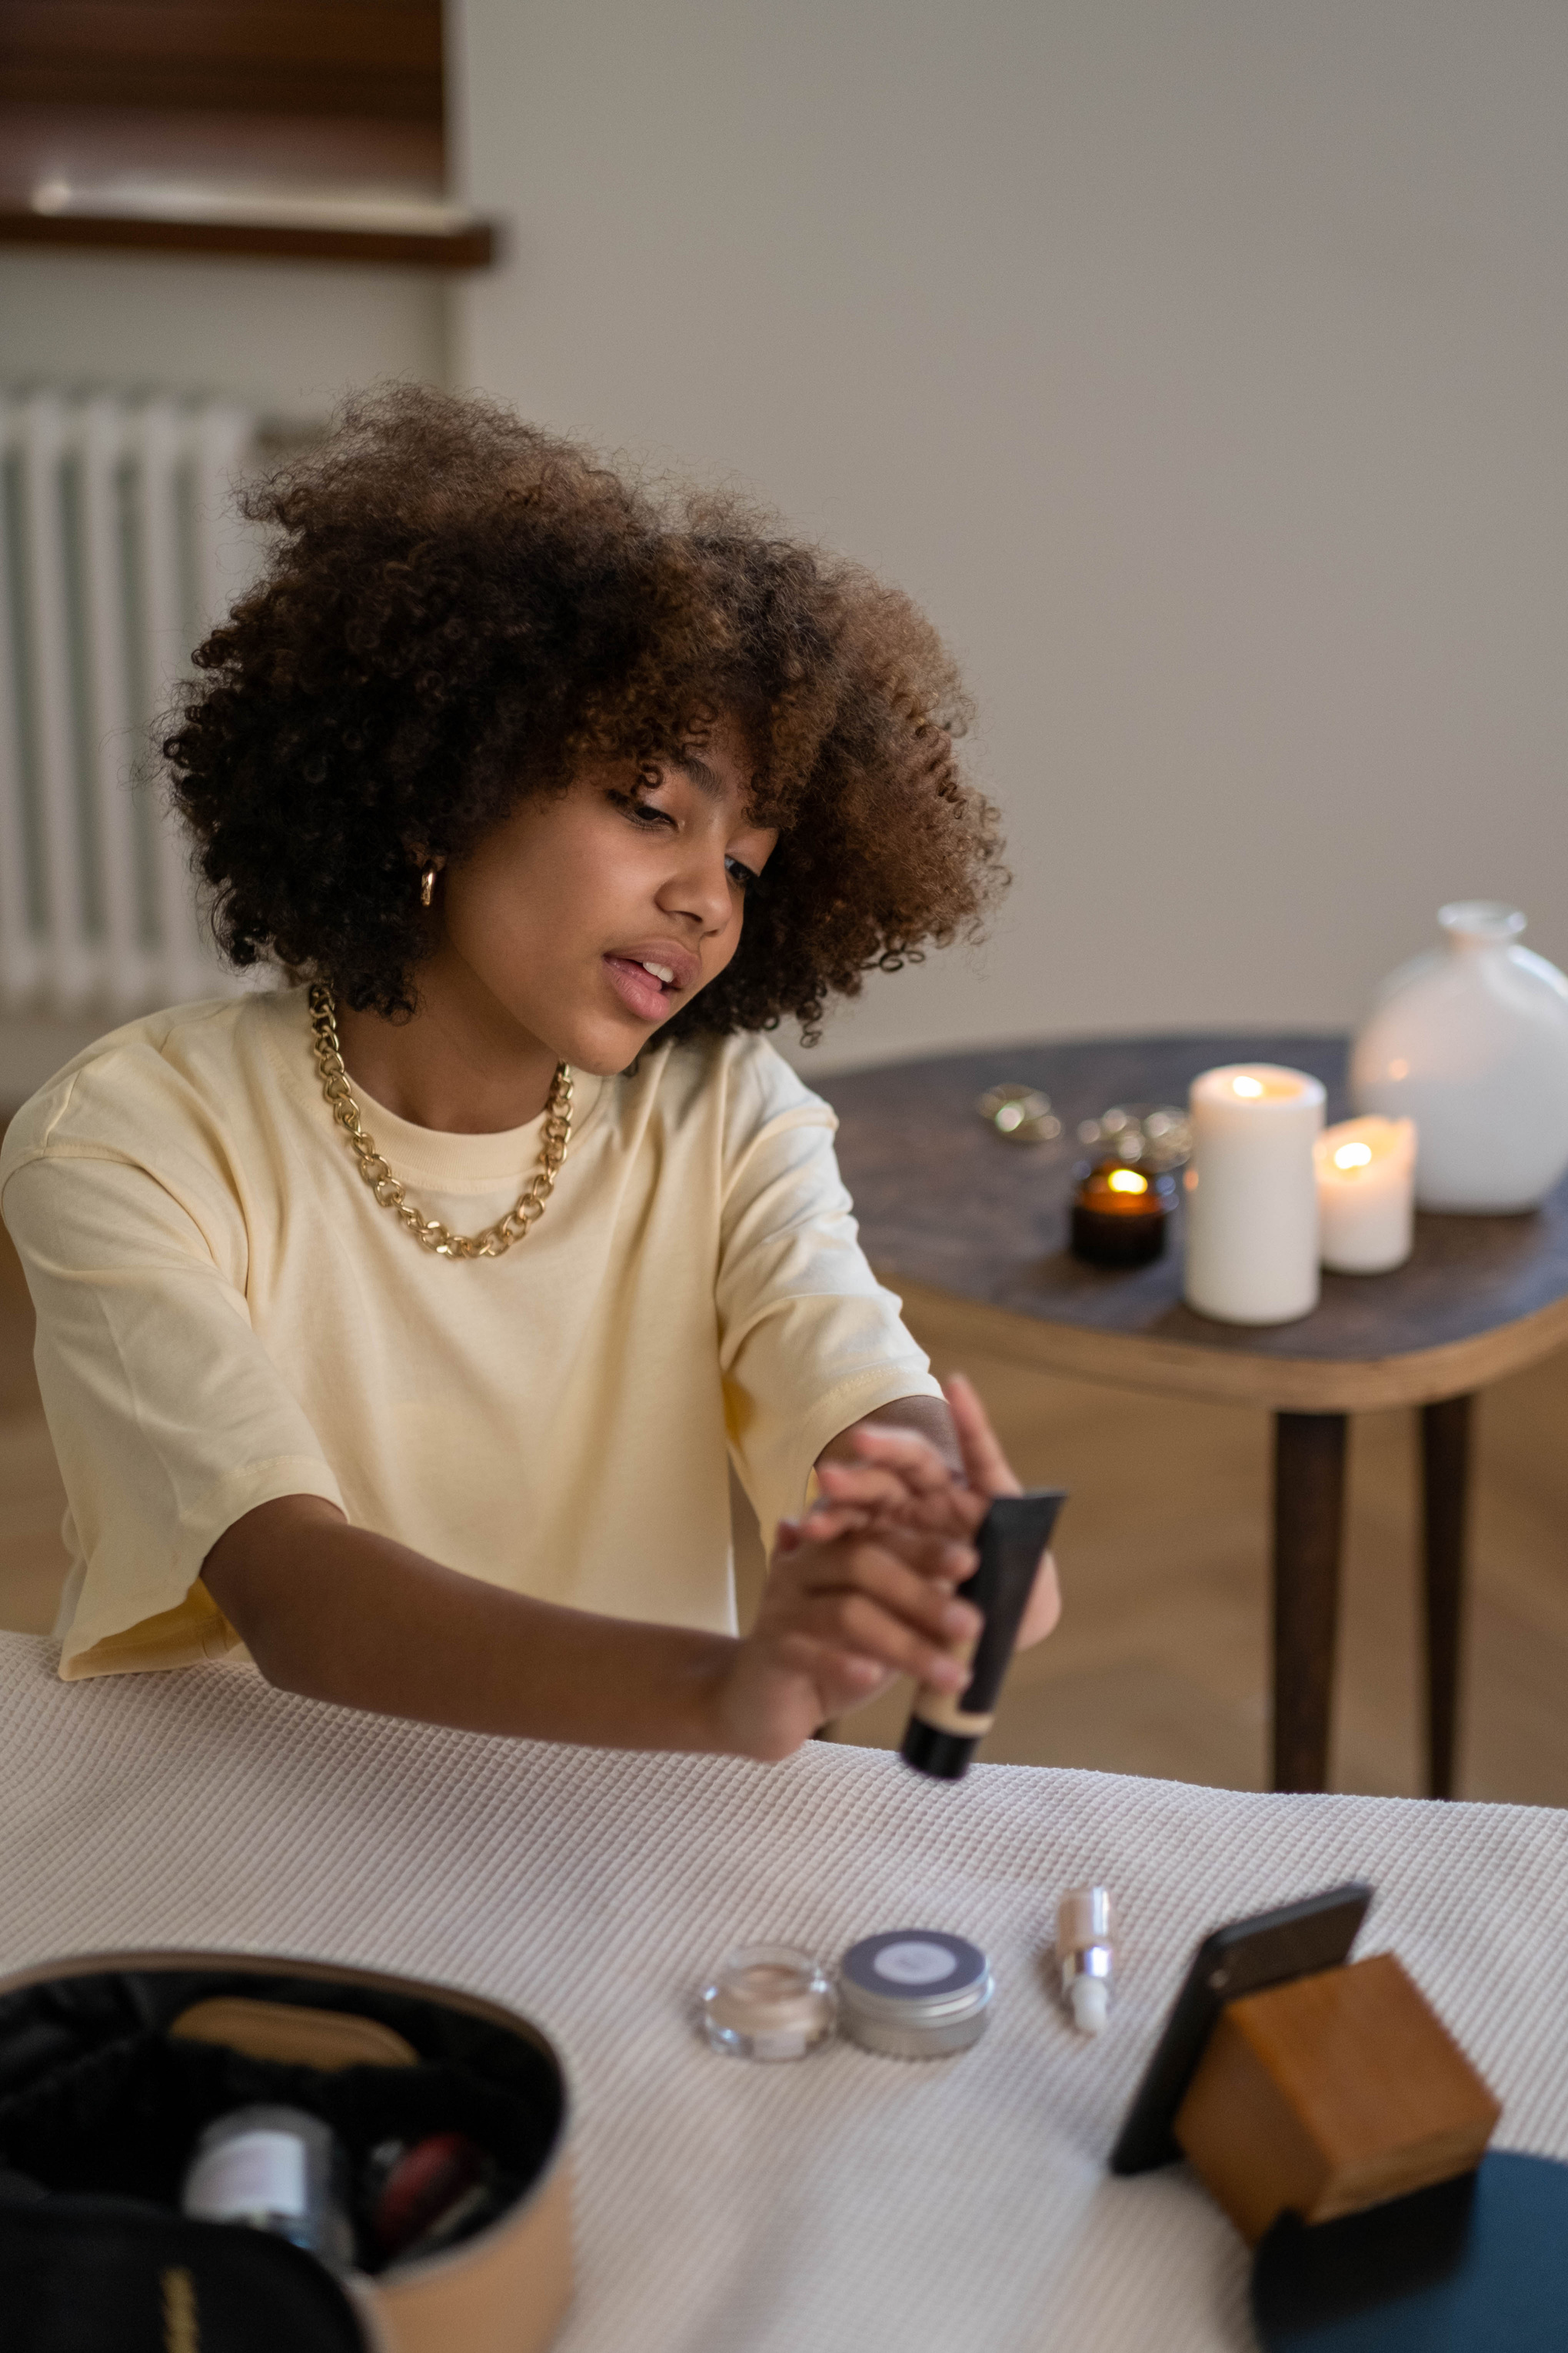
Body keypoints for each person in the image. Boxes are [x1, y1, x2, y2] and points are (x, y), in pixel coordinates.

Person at [0, 388, 1059, 1761]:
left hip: (622, 1805)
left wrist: (930, 1516)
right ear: (445, 791)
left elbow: (842, 1374)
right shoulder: (131, 1137)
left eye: (747, 868)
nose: (707, 901)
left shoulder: (726, 1119)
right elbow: (296, 1595)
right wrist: (723, 1691)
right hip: (250, 1802)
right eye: (651, 809)